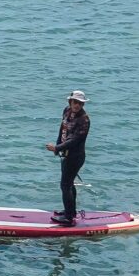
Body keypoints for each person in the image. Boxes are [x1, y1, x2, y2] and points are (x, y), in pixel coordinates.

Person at [46, 91, 90, 225]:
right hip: (65, 154)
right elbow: (62, 129)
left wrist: (57, 148)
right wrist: (58, 146)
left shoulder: (84, 120)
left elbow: (75, 140)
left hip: (75, 157)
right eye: (75, 102)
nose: (77, 105)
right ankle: (70, 211)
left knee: (65, 185)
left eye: (80, 103)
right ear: (70, 102)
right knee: (69, 183)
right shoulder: (66, 111)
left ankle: (68, 218)